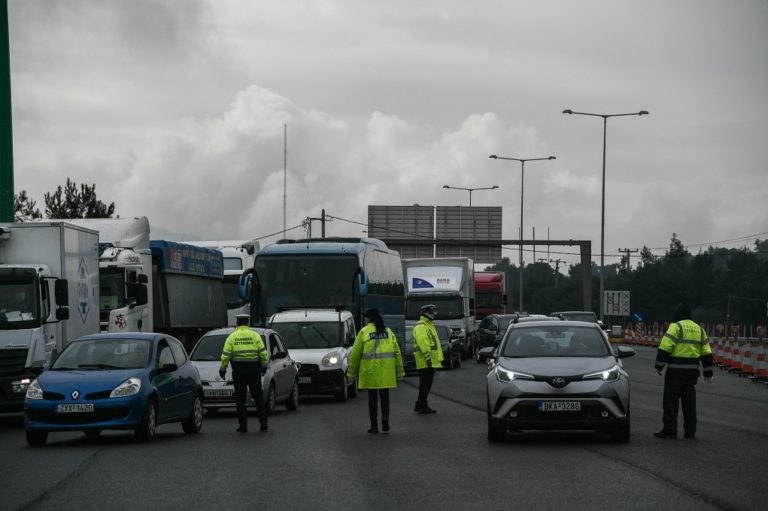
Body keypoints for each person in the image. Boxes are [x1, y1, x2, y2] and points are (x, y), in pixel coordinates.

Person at [654, 302, 713, 440]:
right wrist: (708, 372)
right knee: (689, 403)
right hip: (692, 373)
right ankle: (690, 431)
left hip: (675, 372)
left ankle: (670, 430)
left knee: (671, 402)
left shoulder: (676, 326)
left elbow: (665, 347)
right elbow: (706, 352)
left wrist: (659, 366)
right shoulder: (699, 329)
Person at [346, 308, 405, 434]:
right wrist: (400, 371)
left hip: (370, 370)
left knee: (372, 400)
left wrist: (351, 373)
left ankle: (374, 426)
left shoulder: (364, 332)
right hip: (386, 371)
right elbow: (396, 352)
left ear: (369, 318)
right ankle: (385, 421)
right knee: (385, 398)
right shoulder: (388, 331)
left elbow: (355, 354)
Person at [220, 314, 269, 433]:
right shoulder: (255, 335)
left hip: (239, 370)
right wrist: (264, 366)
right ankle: (263, 424)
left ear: (237, 324)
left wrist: (223, 369)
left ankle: (243, 426)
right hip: (254, 369)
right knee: (257, 396)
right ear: (248, 323)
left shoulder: (232, 337)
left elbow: (225, 355)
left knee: (240, 399)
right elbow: (263, 353)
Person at [412, 304, 443, 414]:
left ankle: (421, 405)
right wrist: (428, 358)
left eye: (432, 312)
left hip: (429, 362)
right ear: (424, 313)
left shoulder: (429, 325)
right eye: (429, 313)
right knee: (424, 386)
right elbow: (423, 344)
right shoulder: (421, 326)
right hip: (425, 362)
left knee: (426, 386)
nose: (432, 314)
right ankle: (421, 406)